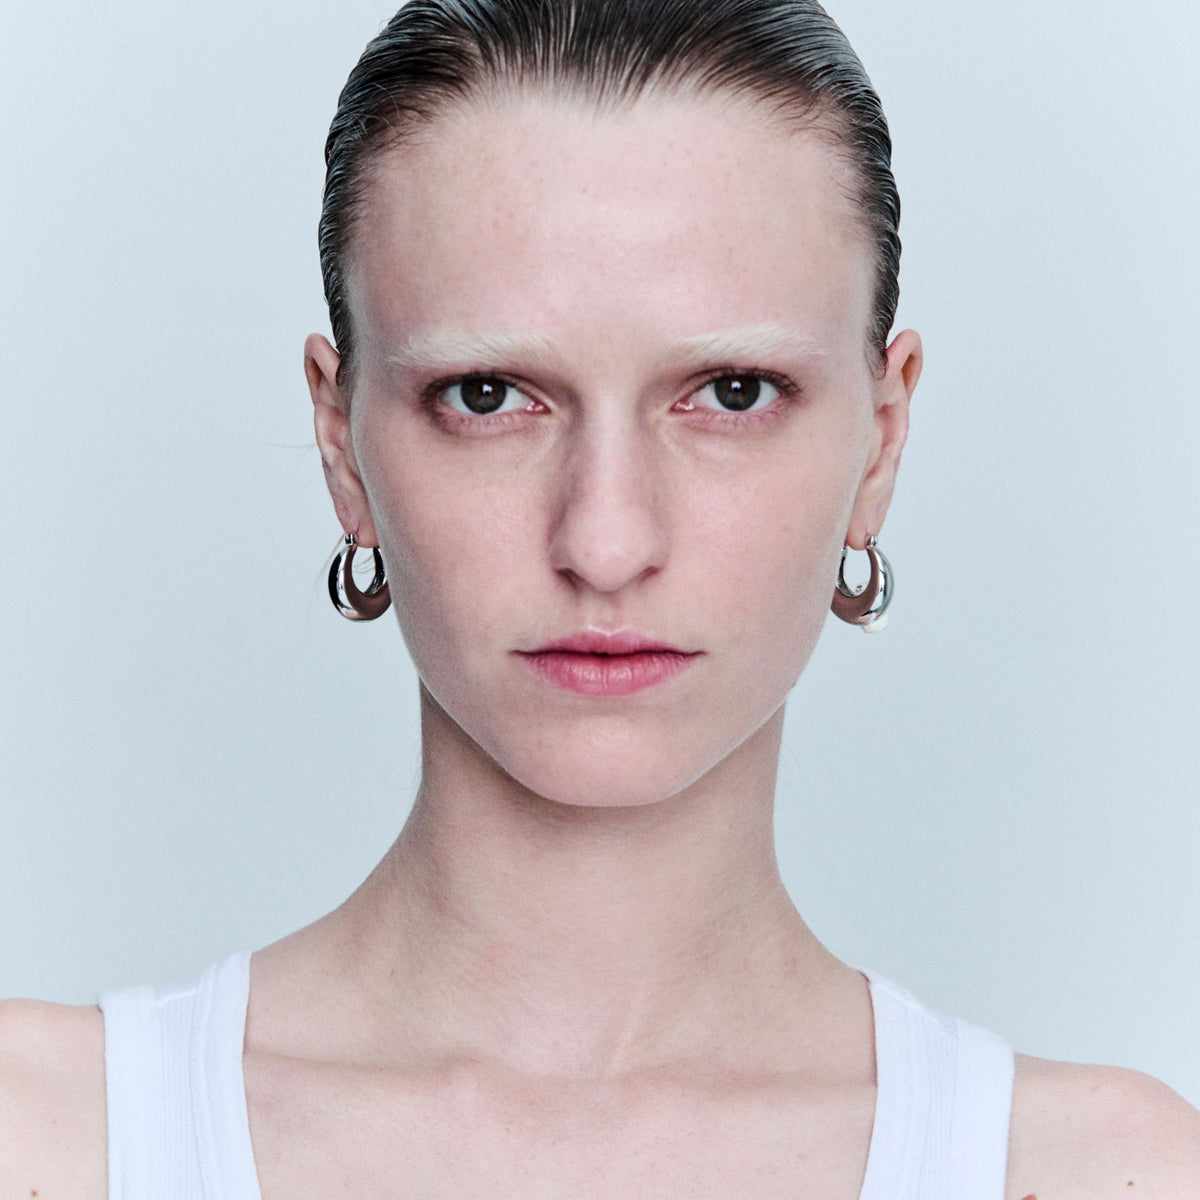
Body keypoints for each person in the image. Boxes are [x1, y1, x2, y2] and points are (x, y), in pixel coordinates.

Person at [3, 0, 1199, 1196]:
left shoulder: (1103, 1172)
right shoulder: (40, 1136)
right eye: (487, 396)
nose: (607, 541)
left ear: (879, 444)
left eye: (732, 393)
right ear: (340, 438)